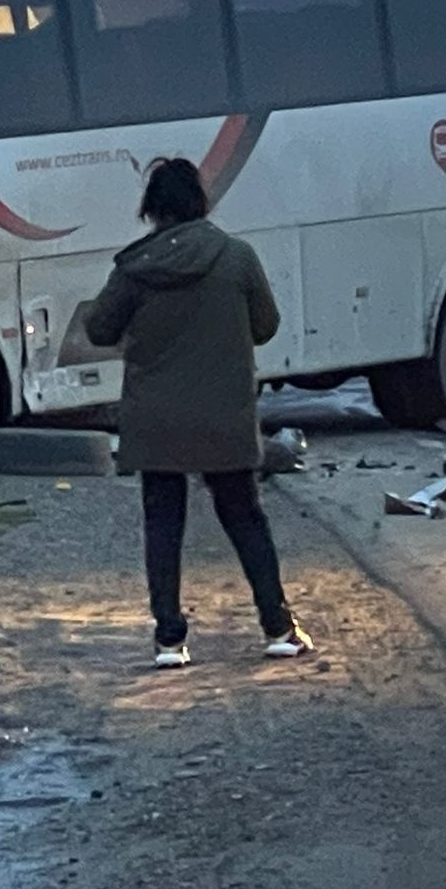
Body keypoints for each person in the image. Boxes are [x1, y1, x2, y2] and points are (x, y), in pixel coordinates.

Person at [84, 158, 311, 669]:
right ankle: (278, 628)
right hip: (223, 417)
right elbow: (266, 325)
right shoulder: (237, 258)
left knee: (163, 524)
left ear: (152, 211)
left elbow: (99, 329)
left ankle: (169, 639)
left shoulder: (135, 269)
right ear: (200, 203)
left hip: (156, 420)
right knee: (246, 518)